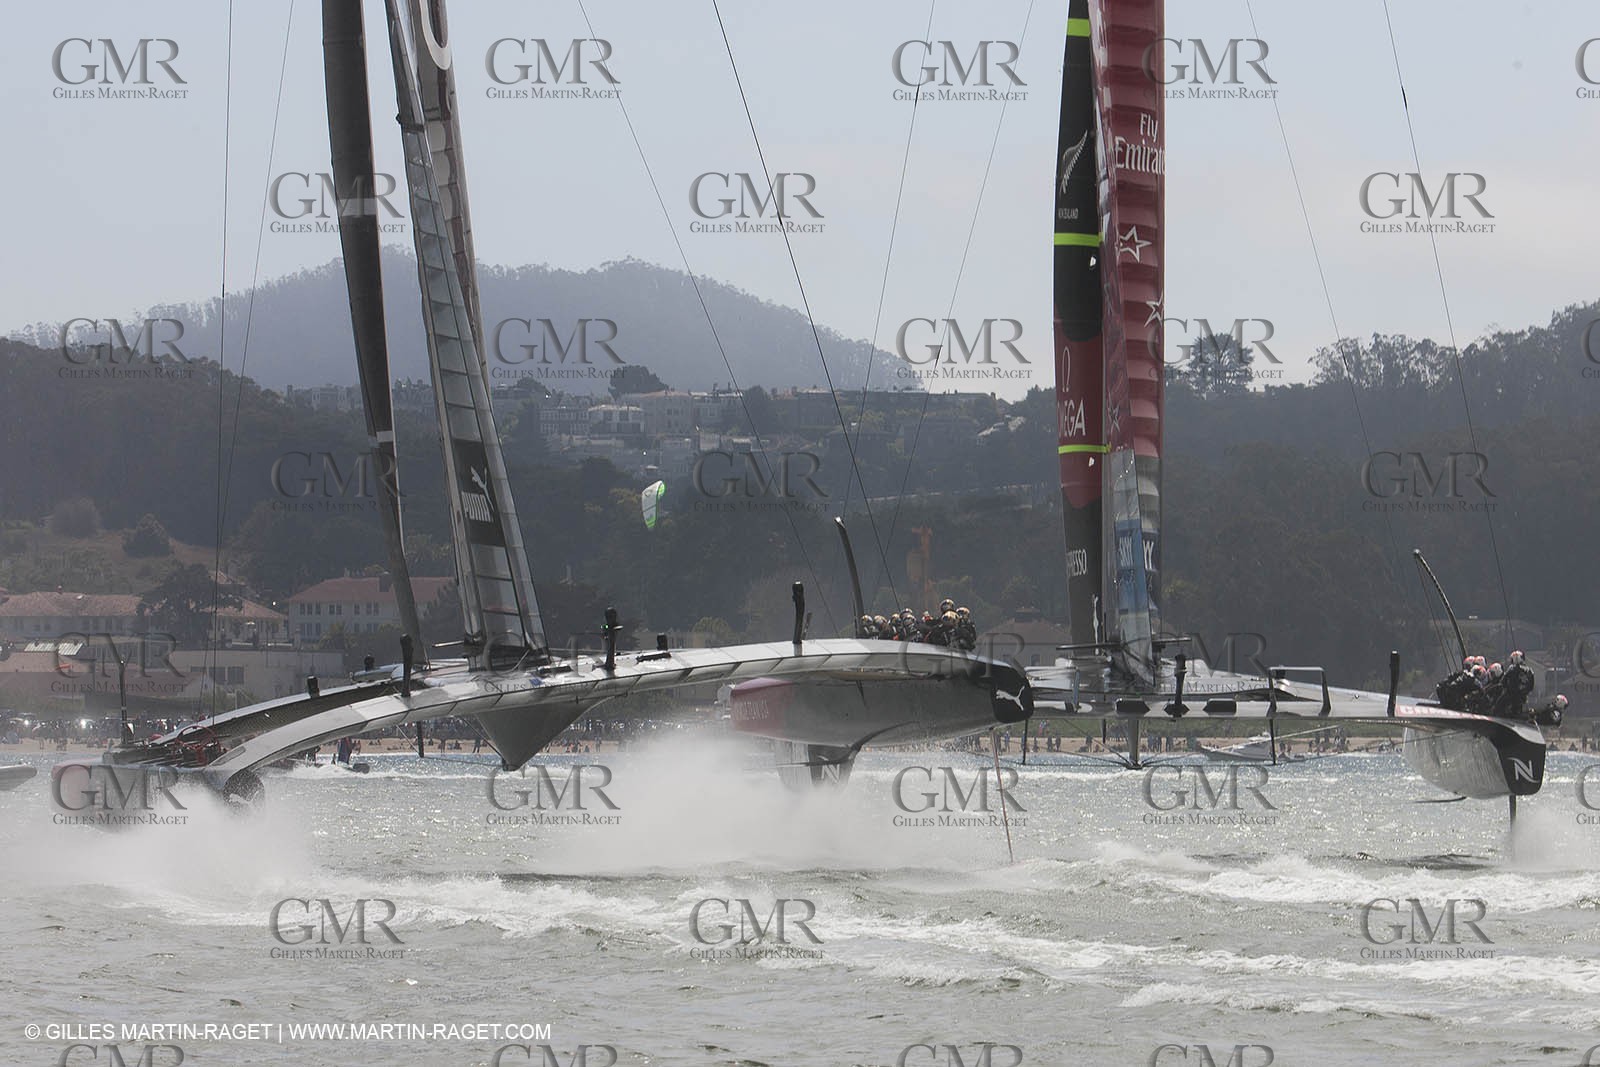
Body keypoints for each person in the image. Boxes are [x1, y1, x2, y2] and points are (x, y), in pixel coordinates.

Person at [1499, 650, 1536, 718]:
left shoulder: (1512, 668)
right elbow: (1531, 686)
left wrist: (1506, 688)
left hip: (1511, 696)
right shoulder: (1530, 670)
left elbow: (1503, 681)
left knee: (1498, 707)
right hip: (1524, 697)